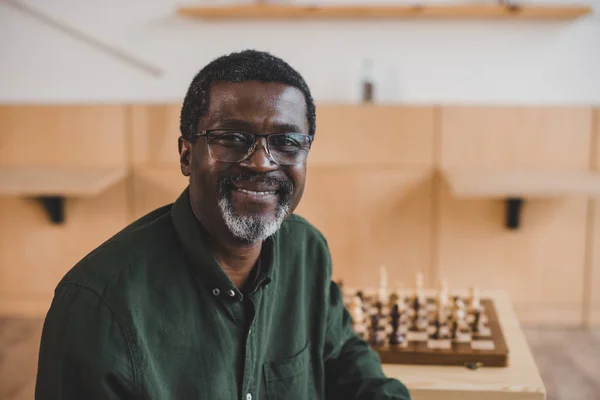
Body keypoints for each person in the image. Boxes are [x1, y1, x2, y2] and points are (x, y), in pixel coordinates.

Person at [35, 49, 411, 400]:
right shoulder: (97, 303)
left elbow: (341, 357)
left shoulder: (306, 252)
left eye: (286, 141)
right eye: (231, 138)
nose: (262, 162)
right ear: (186, 155)